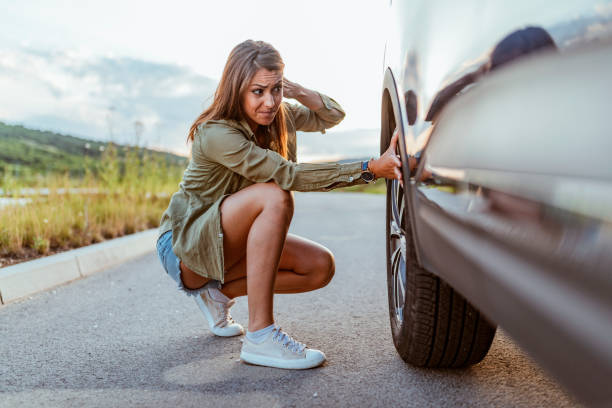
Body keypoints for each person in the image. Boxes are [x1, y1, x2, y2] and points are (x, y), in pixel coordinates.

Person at [156, 39, 402, 370]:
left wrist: (296, 90)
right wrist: (368, 169)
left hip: (227, 237)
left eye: (275, 89)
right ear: (236, 88)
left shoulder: (278, 113)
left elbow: (332, 114)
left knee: (319, 266)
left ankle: (217, 292)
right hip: (185, 244)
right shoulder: (218, 133)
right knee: (274, 194)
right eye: (258, 91)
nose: (269, 102)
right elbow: (286, 175)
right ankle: (260, 337)